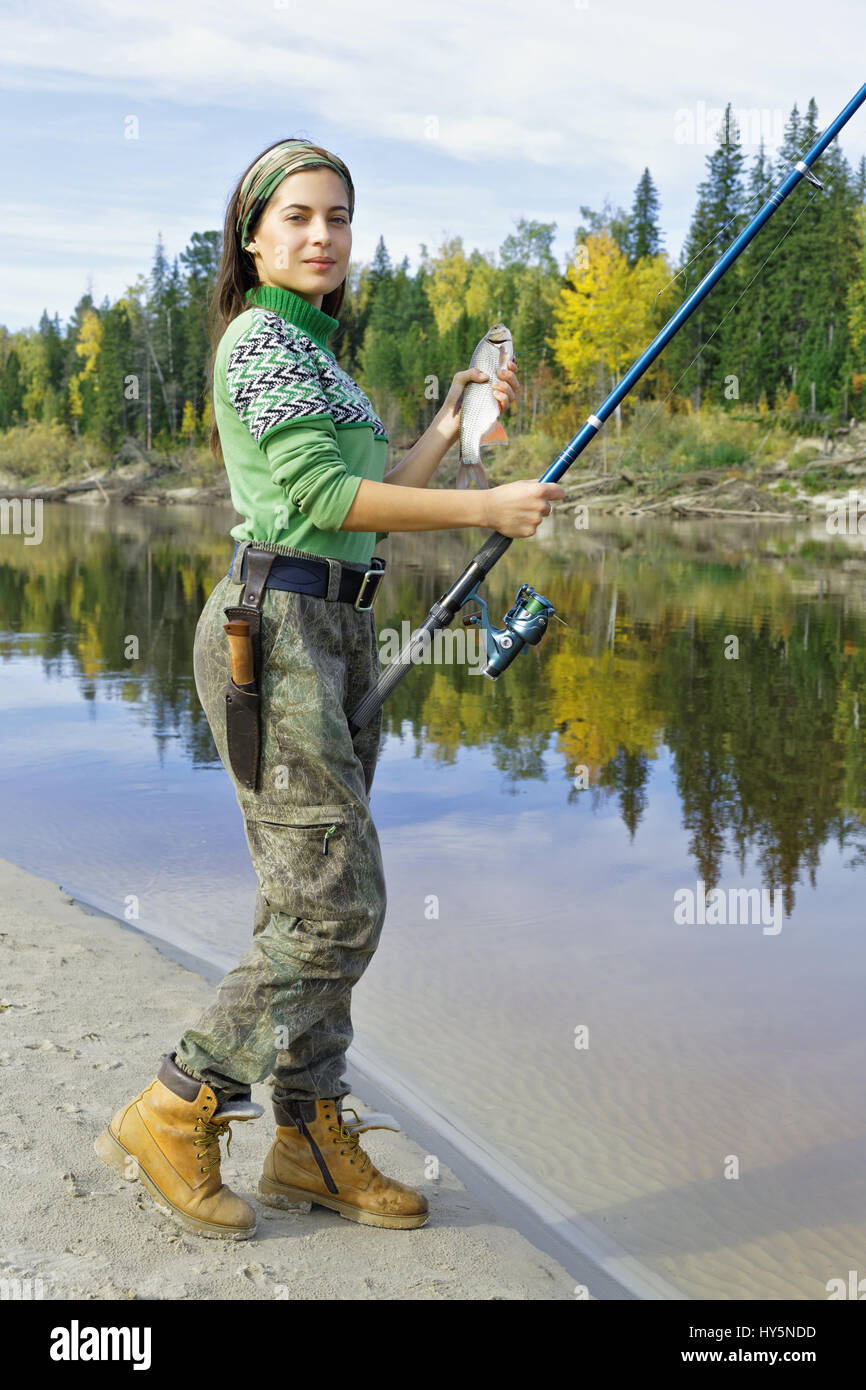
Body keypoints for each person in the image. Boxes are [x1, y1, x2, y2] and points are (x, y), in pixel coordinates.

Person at [94, 138, 565, 1240]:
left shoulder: (321, 356)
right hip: (278, 632)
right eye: (298, 216)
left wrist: (450, 428)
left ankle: (306, 1134)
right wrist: (489, 510)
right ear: (251, 237)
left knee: (304, 891)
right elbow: (312, 493)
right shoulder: (261, 340)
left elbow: (368, 501)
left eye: (339, 218)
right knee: (335, 904)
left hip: (334, 627)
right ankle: (177, 1101)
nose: (321, 235)